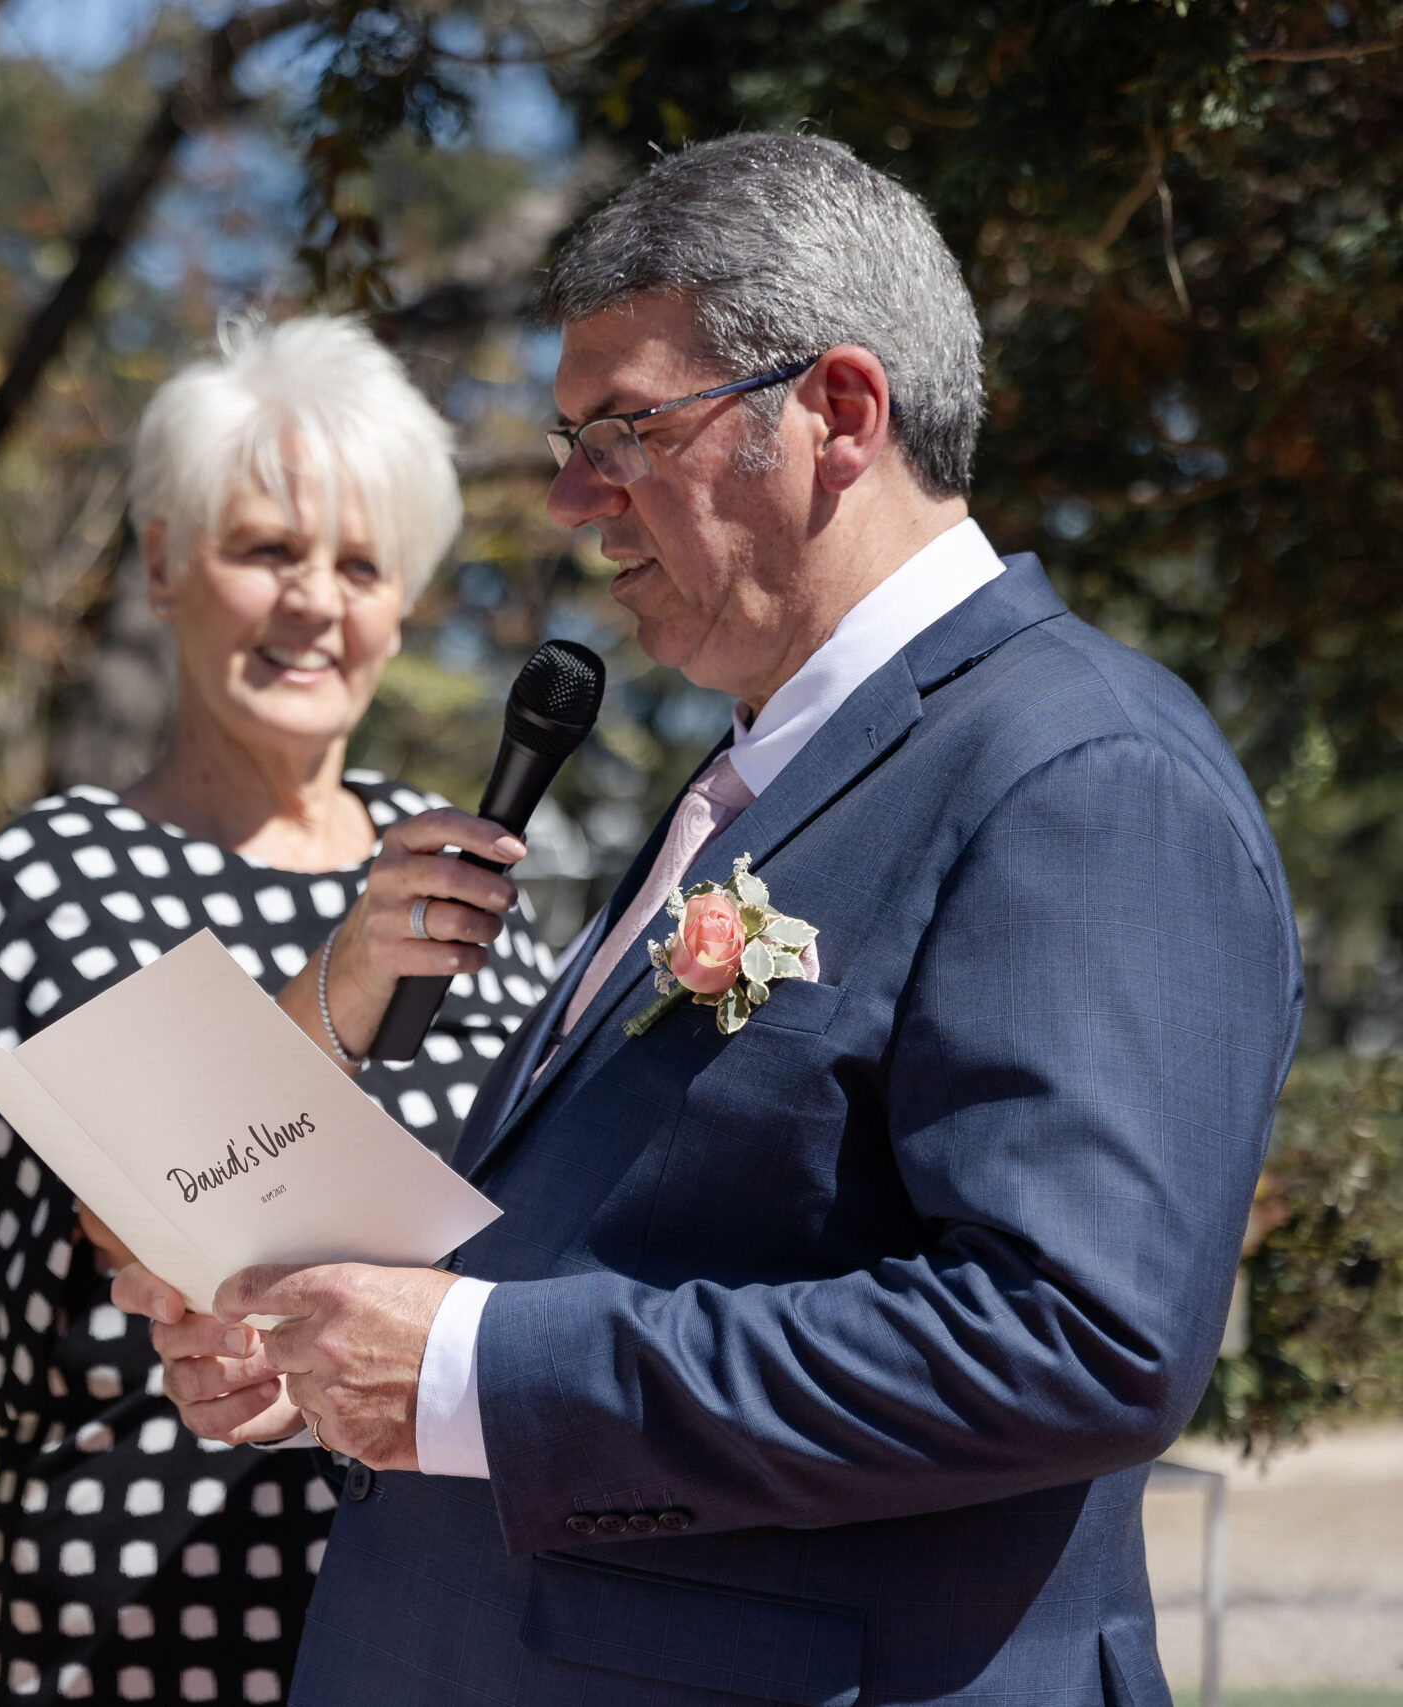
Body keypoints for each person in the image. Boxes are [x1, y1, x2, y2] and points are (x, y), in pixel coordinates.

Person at [123, 135, 1303, 1704]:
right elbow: (646, 1238)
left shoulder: (1085, 776)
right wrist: (349, 1360)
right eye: (570, 442)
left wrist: (472, 1371)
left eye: (625, 429)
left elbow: (1072, 1340)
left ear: (840, 416)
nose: (571, 499)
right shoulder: (770, 766)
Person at [0, 315, 557, 1706]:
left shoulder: (459, 871)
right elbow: (127, 1213)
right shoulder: (62, 867)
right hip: (142, 1602)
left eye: (360, 566)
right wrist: (345, 981)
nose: (314, 604)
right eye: (266, 550)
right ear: (162, 562)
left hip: (441, 1597)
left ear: (404, 604)